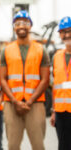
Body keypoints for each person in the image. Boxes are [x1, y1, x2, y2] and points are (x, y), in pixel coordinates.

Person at [0, 10, 50, 150]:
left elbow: (45, 79)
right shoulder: (6, 50)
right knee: (13, 146)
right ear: (14, 27)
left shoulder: (41, 49)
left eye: (25, 23)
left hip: (35, 104)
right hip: (12, 104)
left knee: (38, 145)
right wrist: (15, 101)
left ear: (30, 26)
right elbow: (2, 79)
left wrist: (29, 101)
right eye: (18, 23)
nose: (21, 26)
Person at [50, 16, 71, 150]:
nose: (67, 34)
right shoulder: (57, 56)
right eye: (63, 32)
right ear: (60, 34)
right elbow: (55, 87)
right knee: (63, 146)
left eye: (69, 31)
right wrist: (53, 111)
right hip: (60, 112)